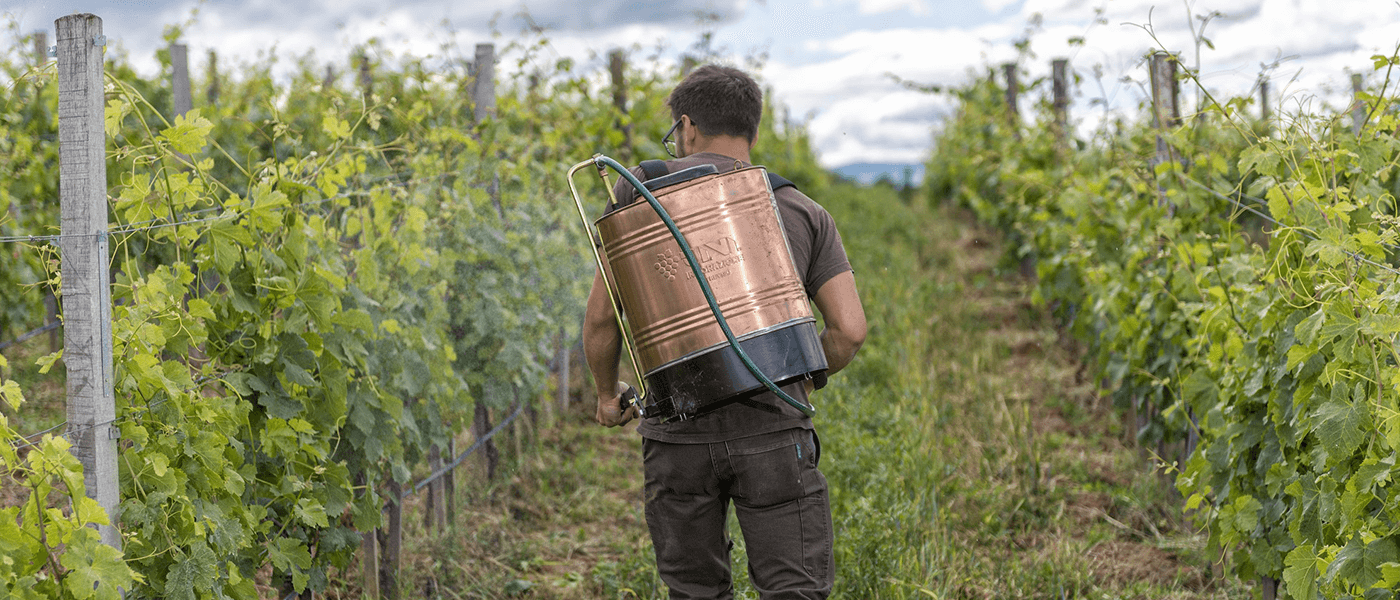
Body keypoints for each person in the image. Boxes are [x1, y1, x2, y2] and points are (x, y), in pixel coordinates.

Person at [582, 64, 866, 600]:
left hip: (677, 435)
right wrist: (793, 374)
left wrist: (604, 395)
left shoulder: (643, 206)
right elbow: (849, 330)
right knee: (793, 589)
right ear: (753, 134)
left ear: (687, 127)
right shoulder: (801, 210)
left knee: (695, 592)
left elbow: (601, 319)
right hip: (774, 430)